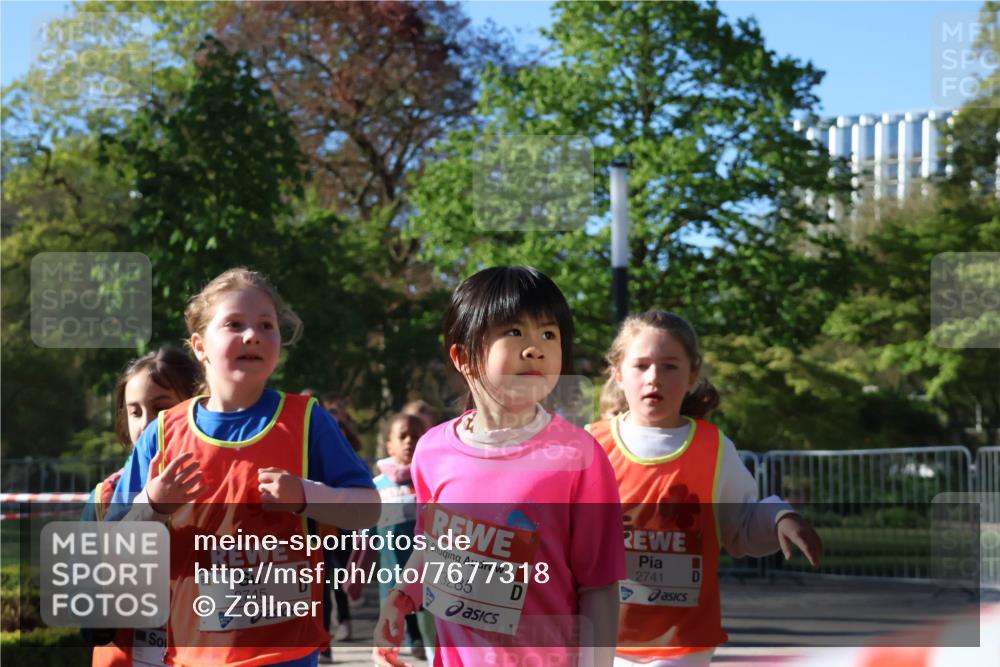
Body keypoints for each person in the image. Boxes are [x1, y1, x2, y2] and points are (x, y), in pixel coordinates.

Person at [109, 267, 380, 667]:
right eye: (234, 324)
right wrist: (152, 503)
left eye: (266, 325)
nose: (252, 335)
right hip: (194, 654)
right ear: (200, 346)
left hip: (287, 653)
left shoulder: (306, 420)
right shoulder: (163, 433)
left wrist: (306, 496)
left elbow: (368, 509)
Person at [373, 266, 625, 667]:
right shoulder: (432, 450)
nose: (535, 348)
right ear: (463, 357)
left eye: (548, 333)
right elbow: (430, 546)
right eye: (513, 332)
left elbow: (599, 587)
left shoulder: (580, 456)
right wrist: (400, 599)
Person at [587, 311, 823, 667]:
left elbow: (740, 525)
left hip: (682, 642)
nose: (654, 378)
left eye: (669, 366)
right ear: (618, 372)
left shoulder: (714, 447)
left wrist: (779, 517)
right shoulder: (590, 445)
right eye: (641, 366)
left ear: (692, 375)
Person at [82, 347, 201, 667]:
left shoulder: (226, 493)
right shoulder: (103, 499)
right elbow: (90, 623)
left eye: (162, 409)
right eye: (135, 412)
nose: (148, 424)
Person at [373, 413, 429, 662]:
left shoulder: (430, 479)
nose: (409, 442)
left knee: (428, 616)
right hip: (390, 566)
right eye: (402, 436)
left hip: (426, 570)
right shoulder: (376, 485)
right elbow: (366, 533)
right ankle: (404, 643)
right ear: (389, 445)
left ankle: (425, 645)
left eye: (416, 436)